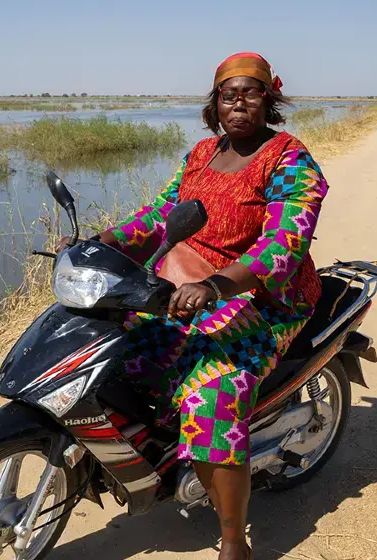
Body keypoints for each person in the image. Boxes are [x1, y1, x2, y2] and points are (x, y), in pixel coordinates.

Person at [77, 52, 328, 560]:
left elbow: (286, 240)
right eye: (228, 94)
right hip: (186, 284)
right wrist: (102, 242)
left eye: (251, 92)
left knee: (211, 400)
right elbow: (161, 214)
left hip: (262, 297)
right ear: (215, 103)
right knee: (116, 348)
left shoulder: (288, 157)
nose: (239, 102)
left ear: (268, 98)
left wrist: (220, 283)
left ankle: (234, 540)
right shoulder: (201, 154)